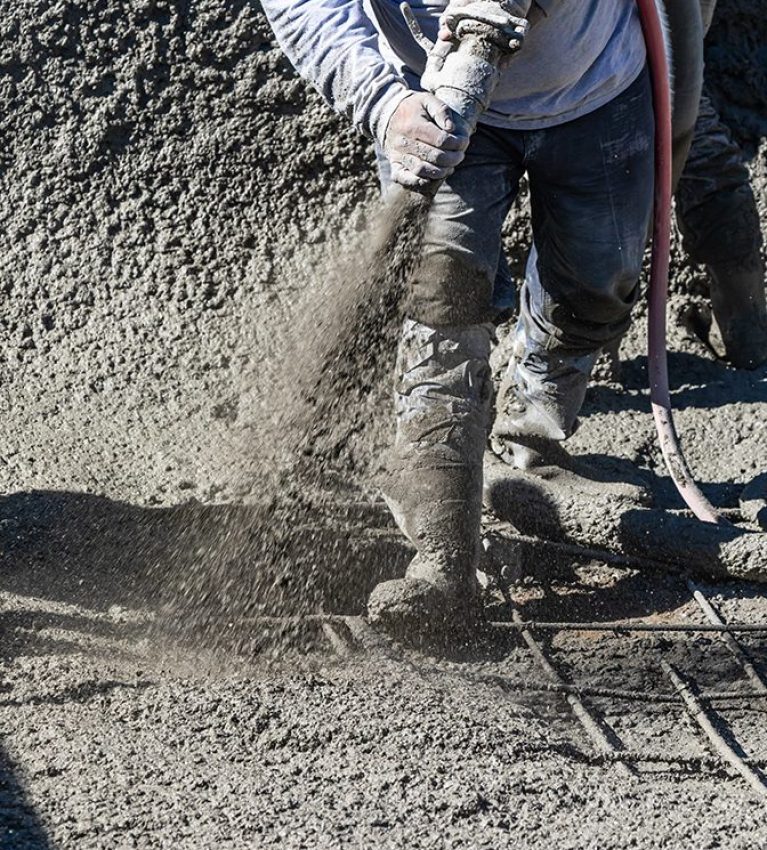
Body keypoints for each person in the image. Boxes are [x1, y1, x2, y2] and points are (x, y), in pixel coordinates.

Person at [261, 0, 759, 639]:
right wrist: (386, 106)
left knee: (595, 287)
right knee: (439, 305)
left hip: (599, 85)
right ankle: (442, 560)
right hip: (436, 99)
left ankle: (531, 441)